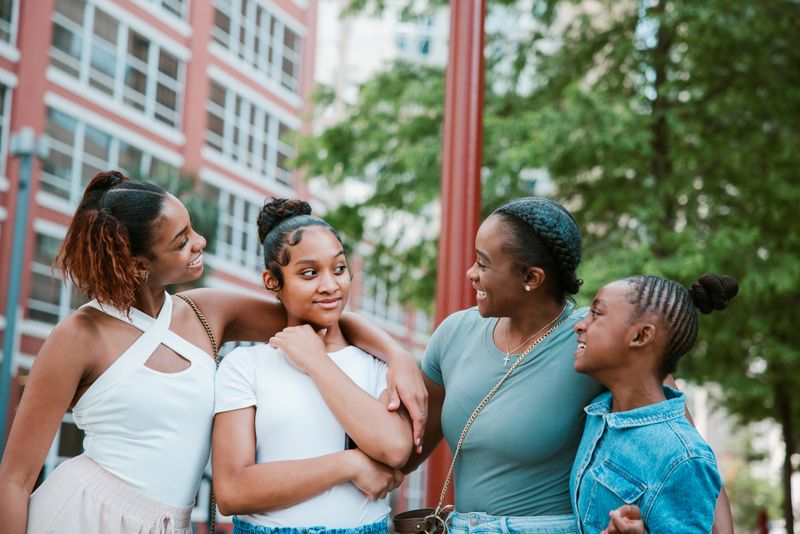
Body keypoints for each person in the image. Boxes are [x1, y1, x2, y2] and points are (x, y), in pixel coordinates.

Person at [0, 171, 426, 534]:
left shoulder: (206, 312)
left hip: (171, 522)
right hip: (85, 515)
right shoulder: (79, 334)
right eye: (182, 241)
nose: (200, 241)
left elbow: (317, 311)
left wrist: (397, 355)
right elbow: (15, 480)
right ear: (138, 266)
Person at [404, 197, 733, 533]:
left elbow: (683, 451)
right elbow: (404, 451)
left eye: (483, 264)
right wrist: (389, 352)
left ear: (532, 277)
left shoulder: (592, 345)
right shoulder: (455, 332)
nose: (470, 274)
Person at [212, 198, 413, 534]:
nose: (330, 286)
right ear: (272, 281)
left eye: (339, 268)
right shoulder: (245, 365)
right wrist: (349, 464)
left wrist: (317, 362)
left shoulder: (379, 364)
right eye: (309, 273)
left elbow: (394, 448)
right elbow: (232, 492)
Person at [570, 273, 737, 534]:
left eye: (596, 314)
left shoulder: (684, 458)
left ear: (640, 336)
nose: (579, 325)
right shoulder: (599, 412)